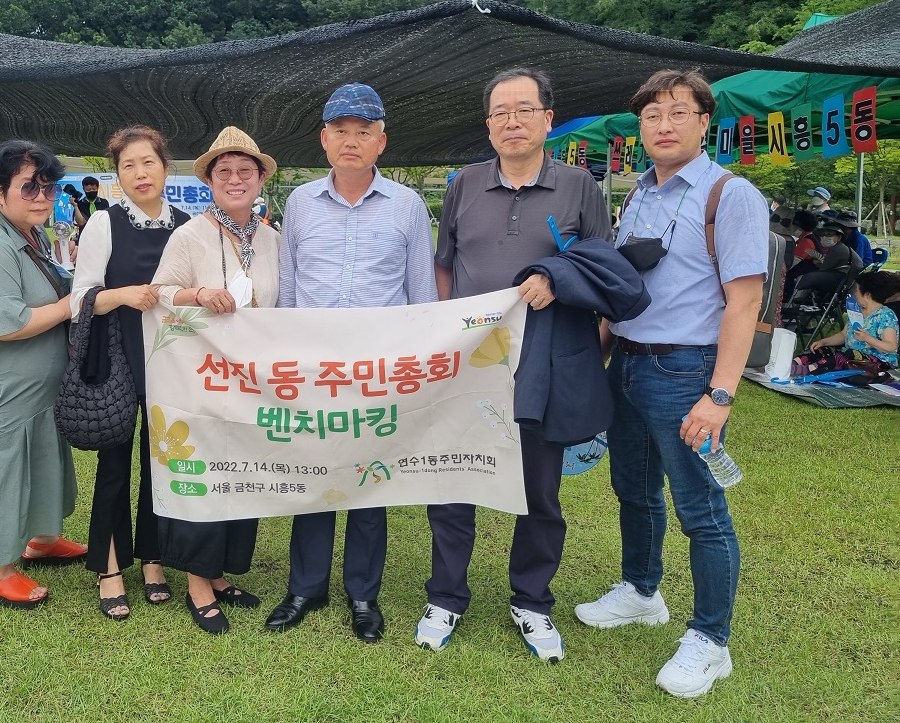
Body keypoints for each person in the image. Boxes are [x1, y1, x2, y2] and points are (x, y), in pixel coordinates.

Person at [576, 69, 769, 698]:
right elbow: (621, 286)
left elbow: (744, 304)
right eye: (652, 114)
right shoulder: (639, 195)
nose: (664, 125)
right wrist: (599, 353)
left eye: (678, 112)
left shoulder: (729, 195)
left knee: (701, 511)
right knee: (633, 488)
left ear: (704, 121)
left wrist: (718, 396)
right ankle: (640, 590)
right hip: (628, 361)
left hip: (686, 369)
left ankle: (711, 640)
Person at [418, 68, 612, 659]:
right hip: (470, 366)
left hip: (547, 365)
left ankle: (532, 602)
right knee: (454, 482)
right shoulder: (464, 184)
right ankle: (446, 597)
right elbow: (445, 267)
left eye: (524, 109)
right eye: (500, 112)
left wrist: (563, 284)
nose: (512, 122)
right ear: (488, 124)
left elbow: (605, 272)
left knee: (540, 492)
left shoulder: (581, 187)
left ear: (548, 119)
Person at [264, 83, 436, 644]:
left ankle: (364, 592)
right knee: (315, 475)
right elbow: (289, 292)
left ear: (381, 141)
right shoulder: (300, 203)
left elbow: (420, 299)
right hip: (315, 369)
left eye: (364, 132)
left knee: (370, 479)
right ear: (323, 139)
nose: (351, 142)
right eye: (341, 131)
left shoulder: (408, 206)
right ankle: (305, 587)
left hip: (378, 371)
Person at [151, 126, 280, 634]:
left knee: (242, 470)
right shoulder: (190, 234)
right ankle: (197, 583)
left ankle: (222, 572)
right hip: (200, 377)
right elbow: (159, 292)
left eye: (244, 170)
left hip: (254, 378)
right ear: (208, 179)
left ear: (260, 178)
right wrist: (199, 293)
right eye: (223, 171)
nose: (235, 179)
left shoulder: (271, 237)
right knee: (206, 472)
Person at [0, 140, 86, 609]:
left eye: (48, 188)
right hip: (1, 384)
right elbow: (6, 326)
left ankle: (41, 540)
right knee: (1, 467)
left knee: (43, 459)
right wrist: (73, 304)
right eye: (29, 188)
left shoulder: (27, 231)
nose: (41, 198)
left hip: (34, 386)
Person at [70, 127, 192, 620]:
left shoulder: (188, 224)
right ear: (116, 175)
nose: (140, 173)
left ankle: (155, 558)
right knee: (116, 462)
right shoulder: (105, 223)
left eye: (148, 162)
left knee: (163, 461)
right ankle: (111, 565)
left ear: (166, 166)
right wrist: (123, 295)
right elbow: (82, 296)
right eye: (128, 166)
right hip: (120, 356)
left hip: (174, 361)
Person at [792, 272, 898, 376]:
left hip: (878, 364)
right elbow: (844, 335)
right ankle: (793, 364)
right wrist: (824, 342)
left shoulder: (886, 316)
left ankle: (807, 370)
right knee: (822, 350)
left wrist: (867, 338)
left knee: (847, 355)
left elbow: (891, 346)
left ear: (868, 295)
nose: (855, 294)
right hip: (850, 356)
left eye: (857, 290)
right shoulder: (857, 311)